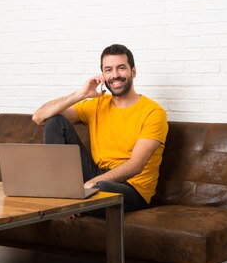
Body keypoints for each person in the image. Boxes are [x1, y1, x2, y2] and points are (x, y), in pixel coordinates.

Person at [31, 44, 168, 215]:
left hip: (133, 188)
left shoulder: (153, 113)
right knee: (55, 121)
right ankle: (60, 193)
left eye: (121, 68)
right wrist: (80, 94)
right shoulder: (97, 104)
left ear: (133, 72)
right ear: (103, 75)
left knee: (101, 188)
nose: (115, 75)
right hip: (97, 174)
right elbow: (39, 117)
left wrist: (91, 184)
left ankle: (72, 201)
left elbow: (135, 166)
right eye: (108, 70)